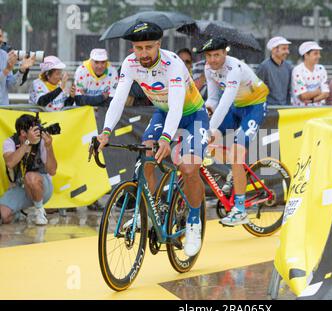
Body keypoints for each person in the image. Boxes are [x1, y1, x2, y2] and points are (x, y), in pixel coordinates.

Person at [97, 22, 210, 257]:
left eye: (149, 47)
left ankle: (193, 220)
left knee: (189, 169)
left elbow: (178, 106)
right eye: (139, 48)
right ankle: (150, 212)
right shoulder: (129, 64)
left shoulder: (173, 64)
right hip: (163, 112)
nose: (144, 53)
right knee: (146, 155)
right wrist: (106, 131)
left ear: (159, 45)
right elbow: (118, 100)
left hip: (192, 115)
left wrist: (167, 139)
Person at [200, 37, 269, 226]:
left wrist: (210, 129)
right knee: (207, 142)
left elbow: (226, 101)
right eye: (209, 56)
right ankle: (234, 172)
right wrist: (207, 112)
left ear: (225, 53)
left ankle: (240, 210)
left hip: (254, 107)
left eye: (217, 55)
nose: (213, 60)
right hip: (236, 107)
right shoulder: (209, 69)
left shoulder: (234, 68)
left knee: (236, 151)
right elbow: (214, 99)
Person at [0, 114, 57, 225]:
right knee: (3, 216)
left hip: (42, 186)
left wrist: (49, 147)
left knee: (30, 177)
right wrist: (27, 142)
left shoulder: (41, 142)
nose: (37, 133)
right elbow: (10, 163)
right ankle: (20, 214)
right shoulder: (10, 142)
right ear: (23, 133)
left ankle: (40, 211)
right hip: (21, 188)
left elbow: (52, 171)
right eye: (34, 130)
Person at [0, 26, 36, 105]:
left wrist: (21, 70)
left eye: (1, 36)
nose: (1, 40)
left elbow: (10, 84)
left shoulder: (4, 55)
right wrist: (6, 70)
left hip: (3, 110)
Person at [256, 36, 293, 106]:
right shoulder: (264, 67)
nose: (287, 52)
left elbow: (289, 91)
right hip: (269, 110)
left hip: (285, 110)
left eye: (287, 49)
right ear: (274, 50)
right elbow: (257, 90)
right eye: (284, 49)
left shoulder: (288, 67)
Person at [291, 41, 329, 106]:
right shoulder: (297, 70)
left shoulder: (321, 69)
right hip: (301, 112)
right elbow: (303, 96)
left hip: (320, 111)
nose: (319, 56)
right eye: (315, 54)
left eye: (319, 53)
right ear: (306, 55)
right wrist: (318, 92)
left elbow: (326, 93)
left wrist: (312, 101)